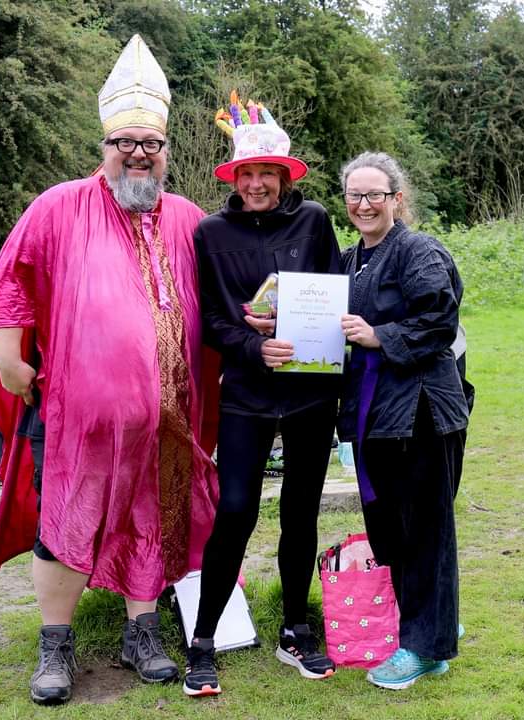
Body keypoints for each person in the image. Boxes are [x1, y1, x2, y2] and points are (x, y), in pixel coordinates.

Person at [0, 35, 217, 706]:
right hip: (77, 415)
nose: (139, 153)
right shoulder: (58, 207)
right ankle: (56, 647)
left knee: (153, 518)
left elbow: (225, 296)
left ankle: (143, 634)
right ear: (104, 147)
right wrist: (12, 359)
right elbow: (13, 285)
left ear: (165, 152)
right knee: (65, 524)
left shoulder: (189, 219)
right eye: (126, 142)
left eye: (151, 144)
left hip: (167, 416)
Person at [183, 102, 342, 697]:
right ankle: (204, 640)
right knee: (236, 510)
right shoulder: (209, 233)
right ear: (233, 177)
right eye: (246, 174)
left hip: (308, 394)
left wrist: (313, 349)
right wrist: (253, 350)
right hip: (247, 393)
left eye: (267, 175)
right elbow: (211, 323)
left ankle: (296, 628)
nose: (256, 184)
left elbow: (330, 296)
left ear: (285, 178)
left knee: (302, 510)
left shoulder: (316, 222)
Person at [336, 151, 473, 690]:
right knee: (392, 529)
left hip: (421, 411)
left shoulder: (419, 252)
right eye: (355, 195)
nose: (364, 204)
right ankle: (432, 627)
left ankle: (423, 647)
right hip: (375, 413)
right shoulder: (353, 260)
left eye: (375, 194)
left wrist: (379, 336)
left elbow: (440, 321)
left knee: (426, 529)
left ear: (397, 199)